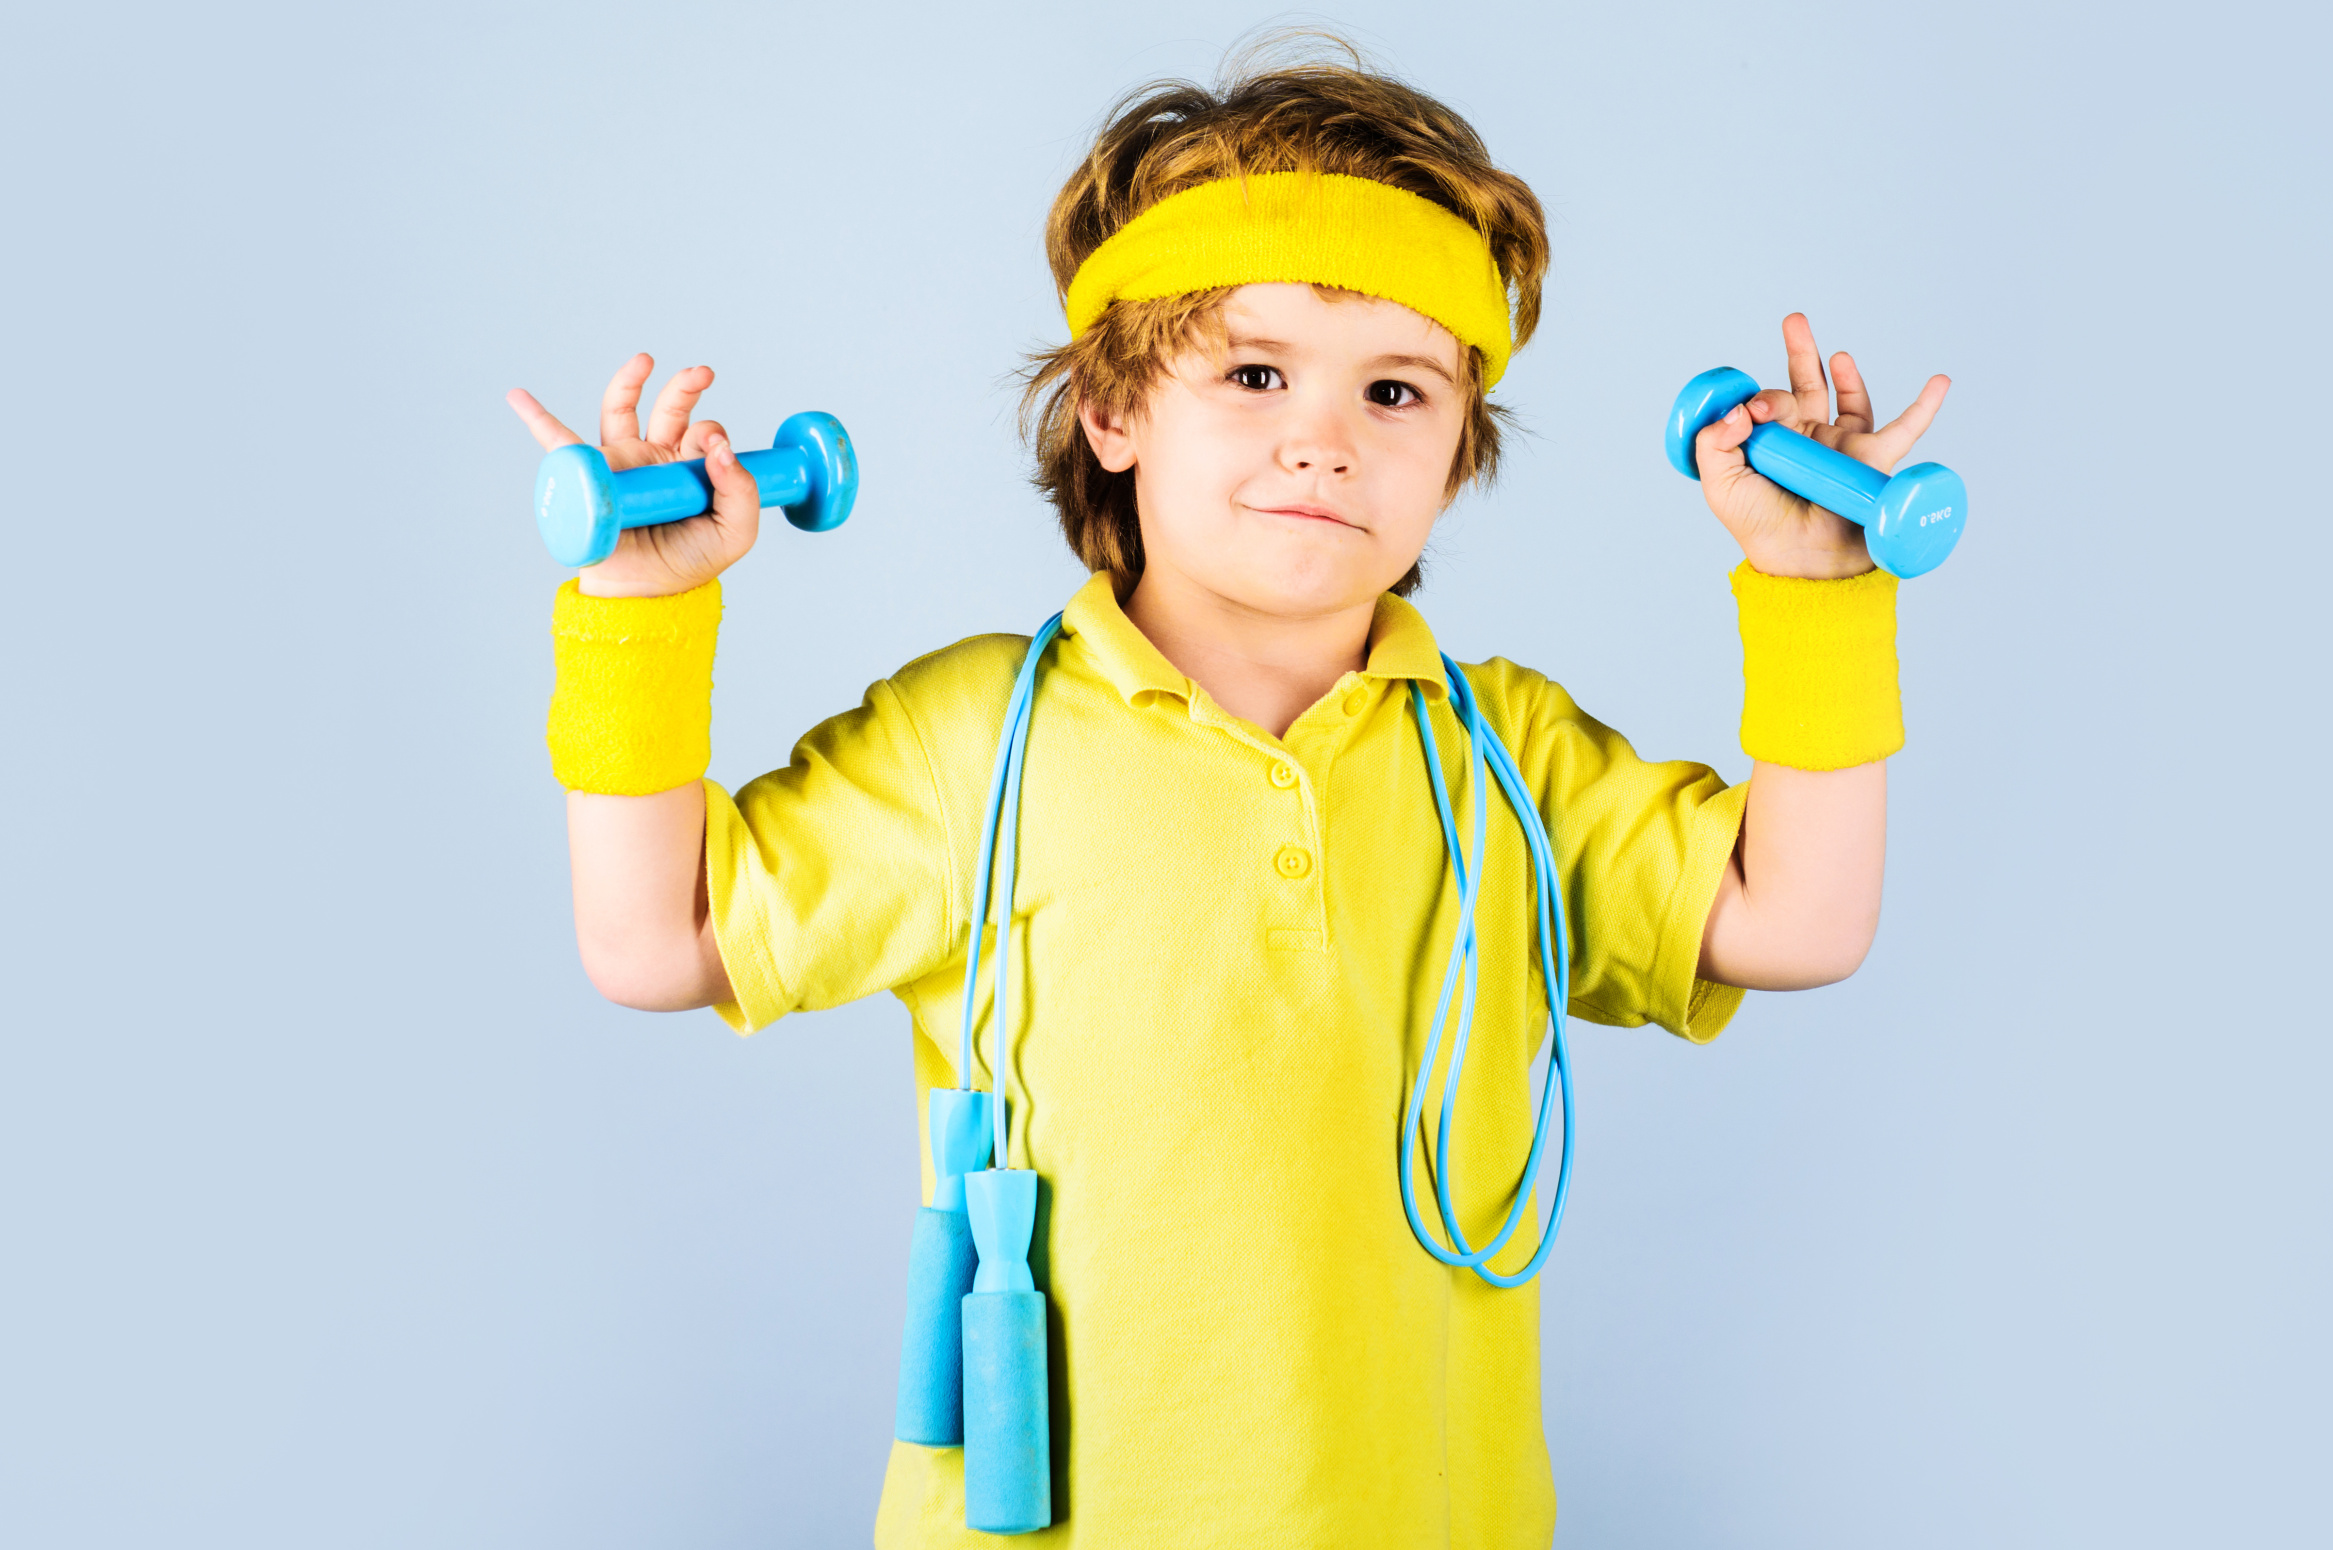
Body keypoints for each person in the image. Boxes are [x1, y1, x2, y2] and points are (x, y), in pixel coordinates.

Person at [508, 43, 1948, 1550]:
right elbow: (654, 938)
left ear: (1459, 453)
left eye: (1397, 389)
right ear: (1115, 413)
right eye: (1254, 372)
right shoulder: (975, 739)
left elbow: (1800, 914)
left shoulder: (1506, 758)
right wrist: (638, 606)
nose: (1324, 435)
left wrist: (1817, 595)